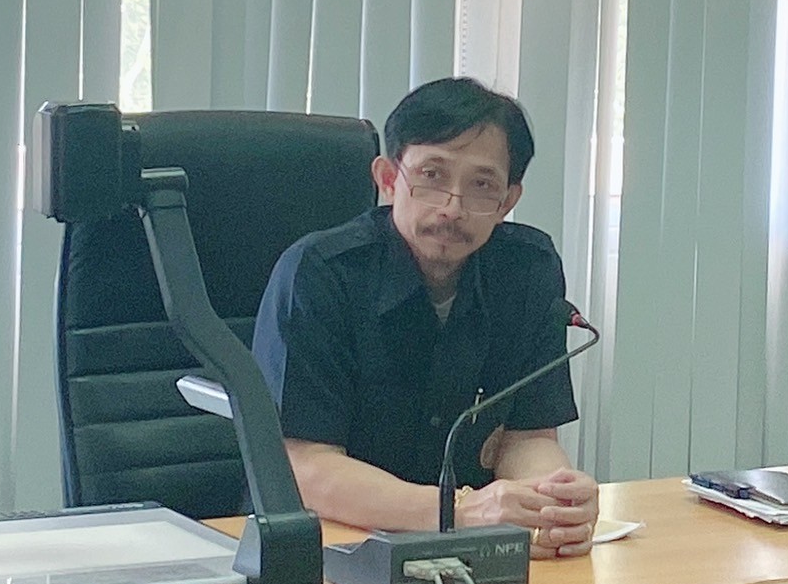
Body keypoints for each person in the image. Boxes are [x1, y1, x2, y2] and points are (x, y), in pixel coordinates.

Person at [252, 77, 600, 558]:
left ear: (507, 201)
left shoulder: (527, 271)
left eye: (482, 186)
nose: (452, 208)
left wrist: (552, 502)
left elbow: (526, 439)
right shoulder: (320, 273)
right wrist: (458, 512)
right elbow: (304, 466)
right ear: (388, 179)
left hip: (469, 551)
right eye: (432, 175)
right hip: (330, 547)